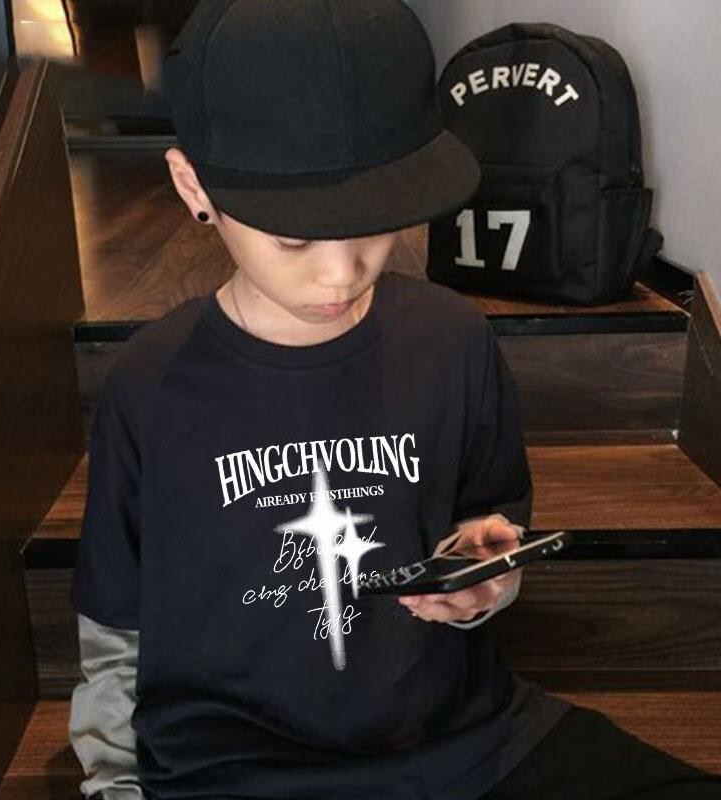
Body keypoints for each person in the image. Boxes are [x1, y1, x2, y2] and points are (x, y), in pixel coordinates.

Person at [68, 1, 721, 799]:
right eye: (293, 236)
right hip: (234, 771)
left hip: (462, 744)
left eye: (376, 225)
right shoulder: (150, 384)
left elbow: (486, 527)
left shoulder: (451, 338)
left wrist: (483, 579)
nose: (342, 274)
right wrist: (115, 786)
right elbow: (114, 630)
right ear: (191, 185)